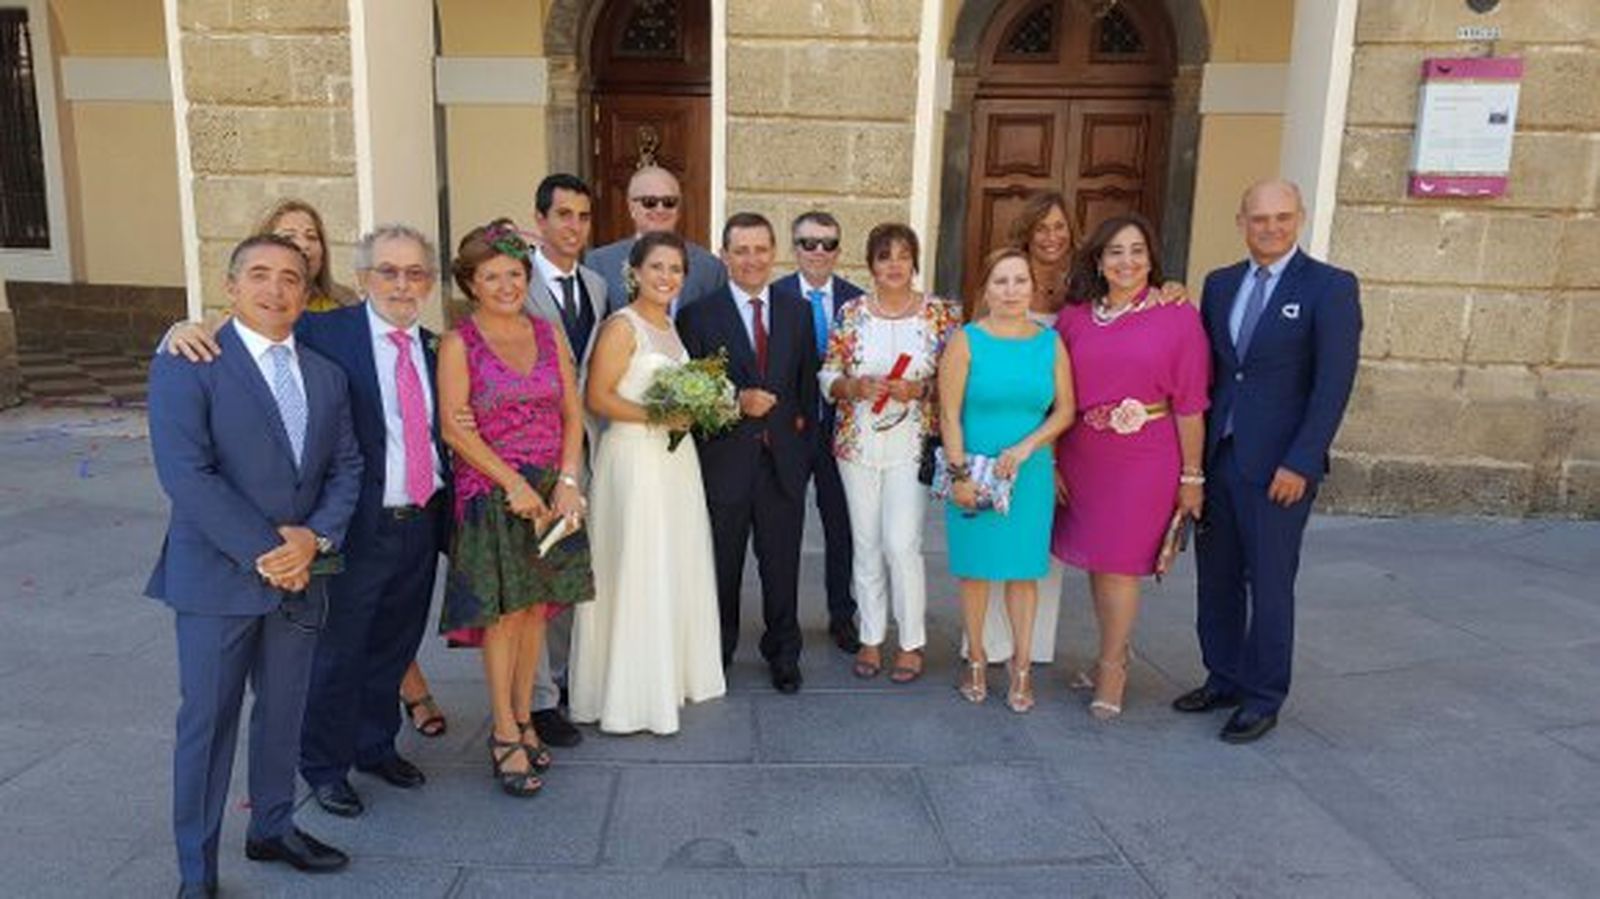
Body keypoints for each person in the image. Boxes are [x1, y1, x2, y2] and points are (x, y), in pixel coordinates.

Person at [164, 225, 453, 819]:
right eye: (388, 271)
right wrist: (179, 331)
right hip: (354, 523)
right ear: (364, 278)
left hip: (420, 518)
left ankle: (375, 745)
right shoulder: (325, 330)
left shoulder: (436, 347)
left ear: (429, 282)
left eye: (415, 273)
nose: (402, 284)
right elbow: (251, 330)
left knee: (396, 642)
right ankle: (324, 765)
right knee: (339, 650)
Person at [147, 236, 362, 897]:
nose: (275, 289)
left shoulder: (326, 375)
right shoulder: (190, 362)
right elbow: (187, 474)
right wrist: (271, 553)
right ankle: (197, 868)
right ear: (232, 286)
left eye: (291, 277)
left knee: (284, 712)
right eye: (260, 275)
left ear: (306, 290)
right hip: (219, 579)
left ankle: (272, 826)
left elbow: (347, 467)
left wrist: (314, 541)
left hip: (302, 578)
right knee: (208, 723)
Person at [1174, 179, 1362, 744]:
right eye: (1259, 218)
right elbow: (1211, 369)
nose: (1271, 228)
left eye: (1282, 217)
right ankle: (1223, 677)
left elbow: (1332, 385)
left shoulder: (1330, 287)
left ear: (1299, 218)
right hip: (1222, 457)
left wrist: (1301, 461)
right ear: (1242, 222)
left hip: (1281, 468)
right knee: (1218, 578)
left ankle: (1263, 696)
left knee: (1271, 582)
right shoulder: (1220, 284)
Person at [437, 223, 594, 795]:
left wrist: (568, 480)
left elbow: (572, 414)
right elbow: (454, 429)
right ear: (471, 284)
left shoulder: (548, 334)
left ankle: (526, 716)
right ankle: (503, 730)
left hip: (551, 491)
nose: (505, 285)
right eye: (491, 276)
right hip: (492, 494)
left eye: (514, 274)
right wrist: (512, 485)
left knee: (534, 611)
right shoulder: (459, 343)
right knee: (504, 616)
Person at [1051, 214, 1211, 720]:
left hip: (1144, 458)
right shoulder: (1074, 318)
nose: (1127, 261)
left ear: (1151, 258)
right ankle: (1112, 650)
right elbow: (1054, 393)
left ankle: (1113, 667)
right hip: (1083, 455)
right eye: (1116, 252)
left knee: (1120, 565)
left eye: (1137, 250)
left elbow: (1190, 403)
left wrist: (1192, 476)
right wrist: (1051, 458)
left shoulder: (1177, 316)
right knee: (1099, 561)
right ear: (1099, 261)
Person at [568, 231, 727, 734]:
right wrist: (660, 416)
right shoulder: (622, 326)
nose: (666, 277)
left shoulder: (672, 327)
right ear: (634, 272)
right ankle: (629, 695)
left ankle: (667, 676)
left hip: (675, 463)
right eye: (657, 267)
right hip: (635, 461)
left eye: (675, 269)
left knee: (670, 560)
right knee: (636, 563)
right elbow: (597, 398)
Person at [678, 212, 819, 694]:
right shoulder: (698, 315)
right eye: (741, 250)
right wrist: (737, 402)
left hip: (783, 464)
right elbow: (692, 396)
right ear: (725, 256)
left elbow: (805, 390)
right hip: (724, 463)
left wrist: (801, 455)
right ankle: (717, 651)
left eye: (760, 249)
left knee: (781, 566)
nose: (752, 260)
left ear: (774, 252)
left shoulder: (797, 311)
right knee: (722, 567)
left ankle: (783, 652)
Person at [818, 223, 958, 683]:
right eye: (884, 256)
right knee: (866, 543)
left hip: (912, 445)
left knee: (901, 543)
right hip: (856, 443)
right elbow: (828, 373)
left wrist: (920, 389)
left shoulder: (941, 314)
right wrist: (853, 386)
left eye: (902, 255)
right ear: (871, 264)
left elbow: (959, 380)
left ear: (914, 261)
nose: (894, 264)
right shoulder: (852, 312)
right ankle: (871, 637)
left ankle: (912, 641)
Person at [938, 247, 1074, 714]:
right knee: (975, 572)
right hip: (973, 471)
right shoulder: (965, 341)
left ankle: (1021, 666)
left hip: (1029, 476)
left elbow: (1066, 410)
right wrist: (958, 476)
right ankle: (976, 659)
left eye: (1020, 281)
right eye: (1001, 281)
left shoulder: (1050, 343)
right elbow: (949, 415)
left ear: (1033, 288)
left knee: (1023, 573)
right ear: (986, 290)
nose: (1011, 290)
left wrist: (1026, 447)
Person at [521, 173, 608, 748]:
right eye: (563, 215)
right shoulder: (513, 280)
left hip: (585, 448)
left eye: (582, 216)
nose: (574, 226)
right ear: (540, 220)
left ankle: (565, 677)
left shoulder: (596, 286)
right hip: (530, 450)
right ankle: (537, 701)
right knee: (537, 577)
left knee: (571, 570)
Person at [773, 210, 863, 654]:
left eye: (828, 244)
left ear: (838, 250)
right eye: (809, 243)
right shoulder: (775, 297)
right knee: (783, 532)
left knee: (841, 529)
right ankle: (783, 621)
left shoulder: (856, 301)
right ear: (794, 248)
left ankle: (842, 615)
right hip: (789, 433)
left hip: (840, 432)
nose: (818, 252)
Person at [585, 166, 727, 314]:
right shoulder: (599, 264)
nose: (660, 209)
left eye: (669, 202)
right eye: (649, 202)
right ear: (631, 206)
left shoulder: (710, 268)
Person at [256, 199, 360, 312]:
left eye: (311, 237)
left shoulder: (346, 304)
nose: (304, 245)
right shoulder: (251, 306)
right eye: (288, 237)